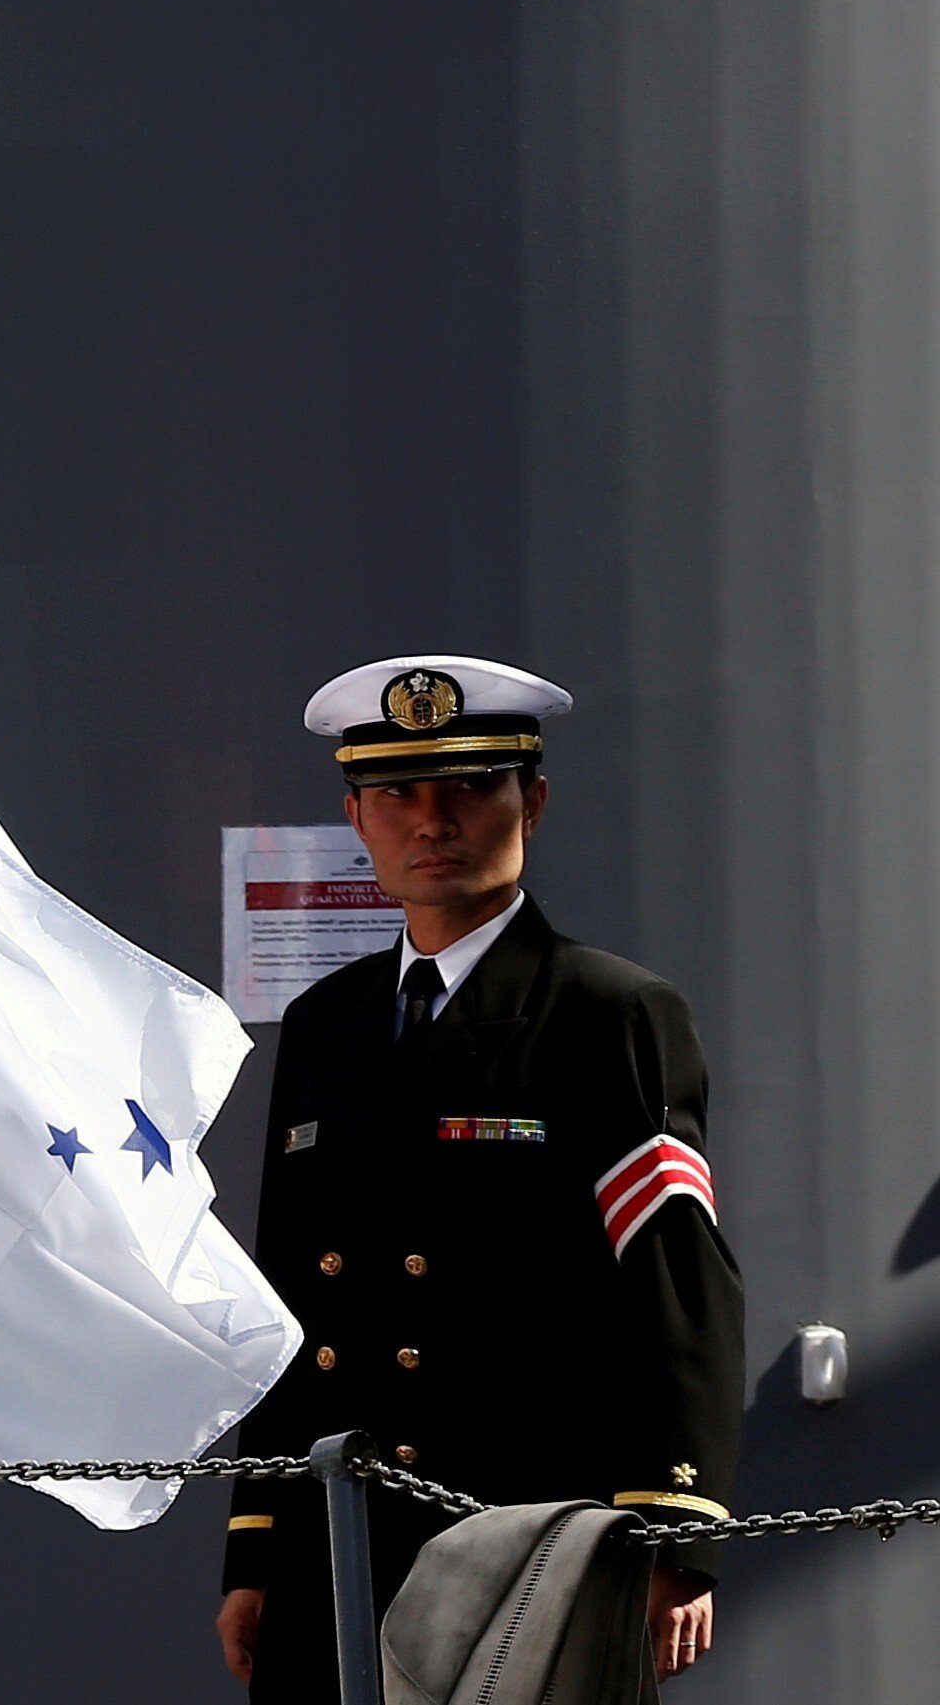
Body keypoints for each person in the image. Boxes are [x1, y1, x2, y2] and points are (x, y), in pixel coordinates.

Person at [215, 657, 743, 1696]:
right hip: (337, 1533)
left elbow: (674, 1284)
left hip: (525, 1533)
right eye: (398, 795)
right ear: (355, 816)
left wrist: (672, 1533)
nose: (432, 821)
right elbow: (289, 1294)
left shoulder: (608, 1012)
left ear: (529, 801)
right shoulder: (328, 1022)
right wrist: (255, 1541)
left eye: (467, 787)